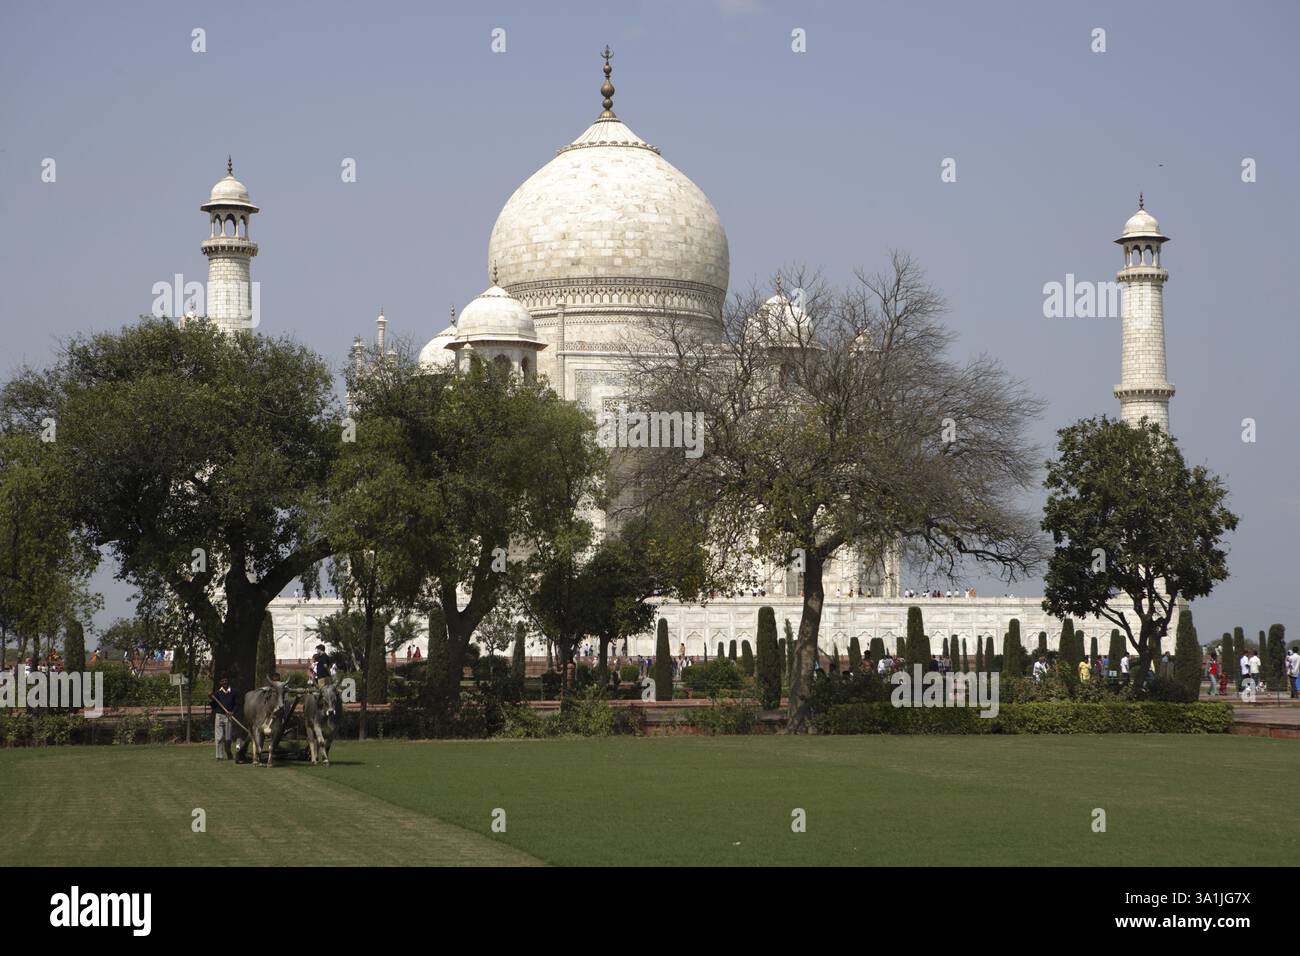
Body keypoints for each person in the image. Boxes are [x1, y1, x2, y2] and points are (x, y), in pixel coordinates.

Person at [211, 677, 237, 761]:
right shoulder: (217, 693)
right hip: (219, 716)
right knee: (219, 737)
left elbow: (237, 704)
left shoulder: (233, 692)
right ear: (220, 683)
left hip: (229, 716)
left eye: (226, 680)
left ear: (228, 681)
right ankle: (219, 756)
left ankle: (228, 751)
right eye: (223, 681)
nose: (225, 682)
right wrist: (210, 697)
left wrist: (232, 712)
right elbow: (213, 705)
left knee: (228, 738)